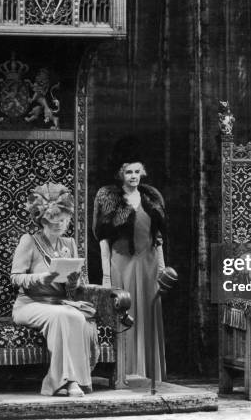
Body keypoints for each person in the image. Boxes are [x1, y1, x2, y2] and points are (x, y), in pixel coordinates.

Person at [11, 182, 99, 397]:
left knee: (76, 317)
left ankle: (72, 381)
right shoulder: (29, 241)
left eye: (63, 220)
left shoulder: (69, 244)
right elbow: (15, 278)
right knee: (63, 315)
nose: (59, 224)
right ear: (42, 220)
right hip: (29, 305)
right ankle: (66, 382)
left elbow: (75, 287)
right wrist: (43, 277)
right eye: (53, 221)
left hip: (59, 303)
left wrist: (73, 281)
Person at [92, 158, 167, 381]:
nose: (133, 176)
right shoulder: (109, 198)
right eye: (128, 172)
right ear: (121, 175)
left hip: (149, 263)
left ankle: (149, 372)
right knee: (126, 312)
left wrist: (162, 268)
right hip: (121, 261)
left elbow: (158, 237)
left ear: (142, 173)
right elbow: (103, 239)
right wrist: (106, 275)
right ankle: (126, 370)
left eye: (137, 172)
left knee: (148, 311)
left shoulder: (151, 197)